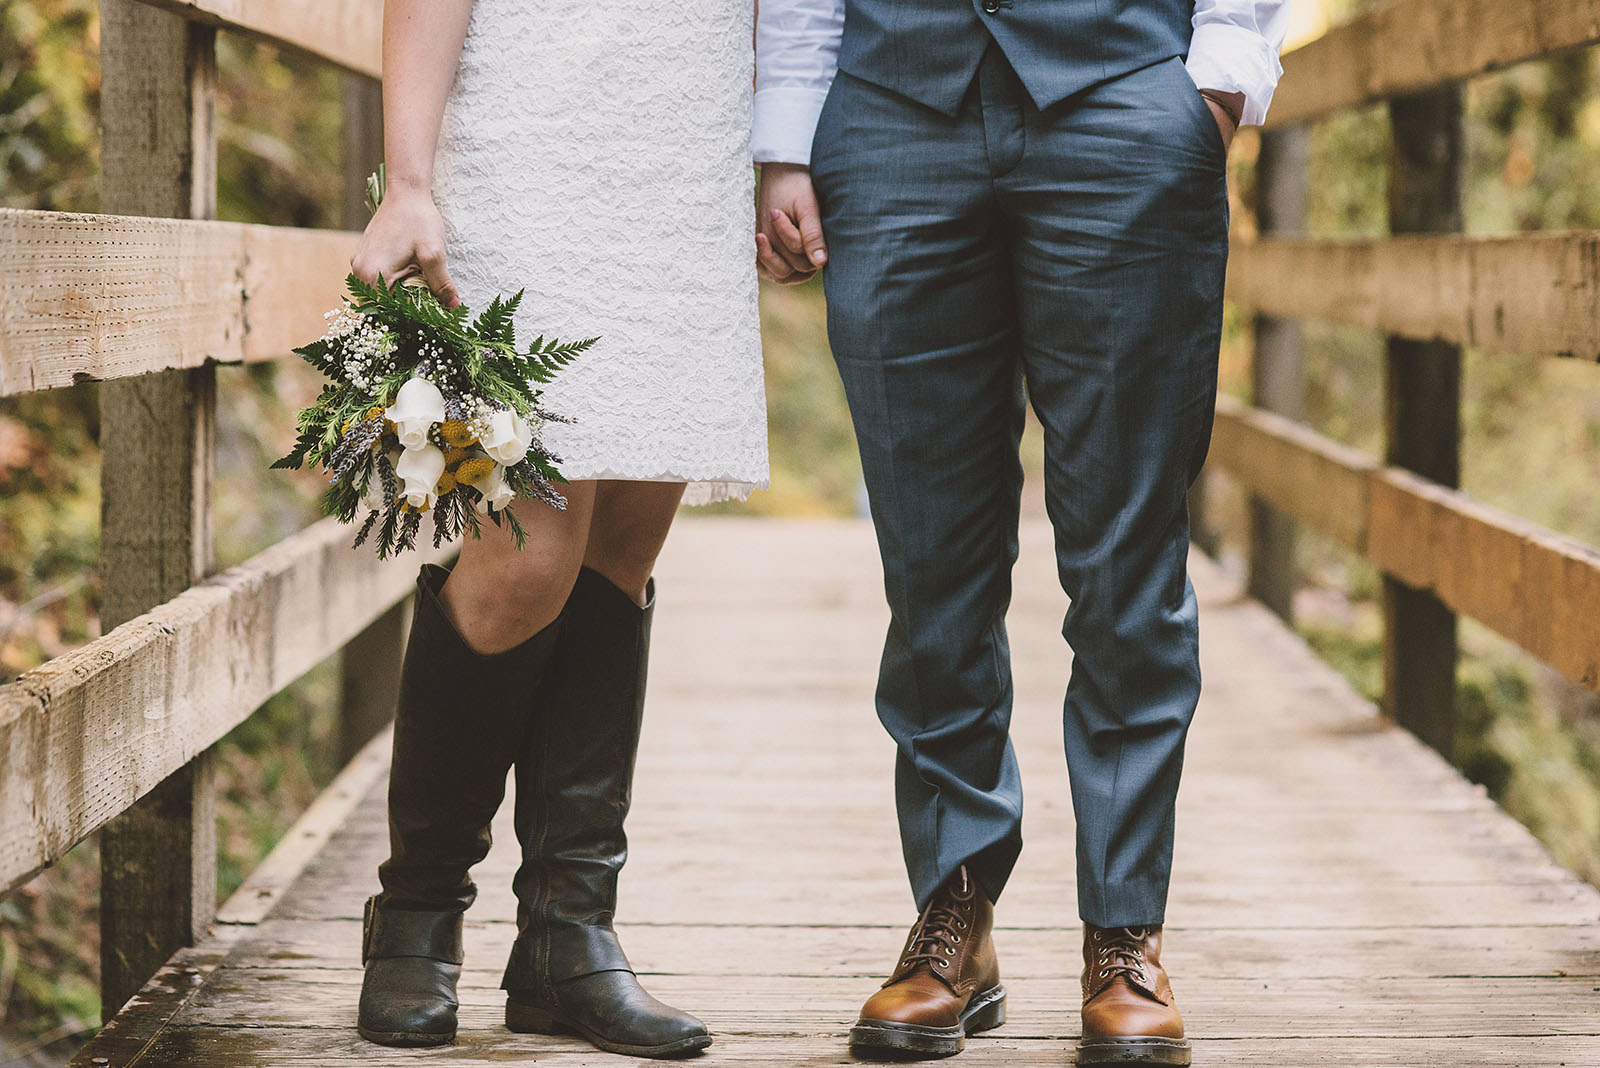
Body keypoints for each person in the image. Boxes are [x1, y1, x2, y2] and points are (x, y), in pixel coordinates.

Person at [753, 1, 1288, 1063]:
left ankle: (1124, 934)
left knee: (1127, 556)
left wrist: (1219, 78)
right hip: (891, 115)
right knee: (928, 557)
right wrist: (784, 131)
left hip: (1124, 110)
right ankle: (955, 913)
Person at [349, 0, 768, 1056]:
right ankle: (415, 921)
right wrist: (409, 181)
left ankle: (566, 941)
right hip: (525, 147)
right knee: (518, 555)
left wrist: (798, 151)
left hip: (687, 155)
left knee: (621, 552)